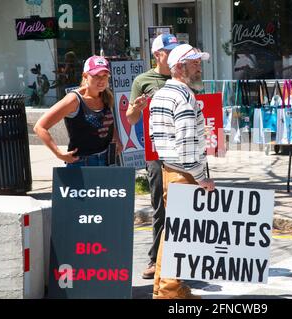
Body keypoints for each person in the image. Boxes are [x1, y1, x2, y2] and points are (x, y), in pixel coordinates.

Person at [150, 43, 215, 299]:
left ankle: (163, 288)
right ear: (179, 68)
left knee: (172, 233)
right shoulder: (183, 97)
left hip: (170, 169)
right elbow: (187, 148)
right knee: (179, 237)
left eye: (199, 62)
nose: (199, 67)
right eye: (195, 63)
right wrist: (202, 178)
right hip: (183, 173)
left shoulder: (161, 94)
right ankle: (170, 292)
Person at [126, 33, 180, 280]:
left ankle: (188, 258)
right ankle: (155, 259)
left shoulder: (184, 76)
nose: (174, 55)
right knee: (160, 206)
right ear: (158, 54)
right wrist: (136, 108)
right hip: (157, 153)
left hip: (184, 150)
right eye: (169, 52)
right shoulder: (143, 80)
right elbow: (131, 118)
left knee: (188, 205)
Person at [34, 55, 122, 167]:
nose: (101, 80)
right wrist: (59, 154)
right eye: (96, 76)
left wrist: (117, 138)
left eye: (105, 75)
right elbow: (39, 127)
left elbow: (106, 121)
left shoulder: (105, 96)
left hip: (108, 160)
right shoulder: (74, 99)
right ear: (85, 76)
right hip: (82, 164)